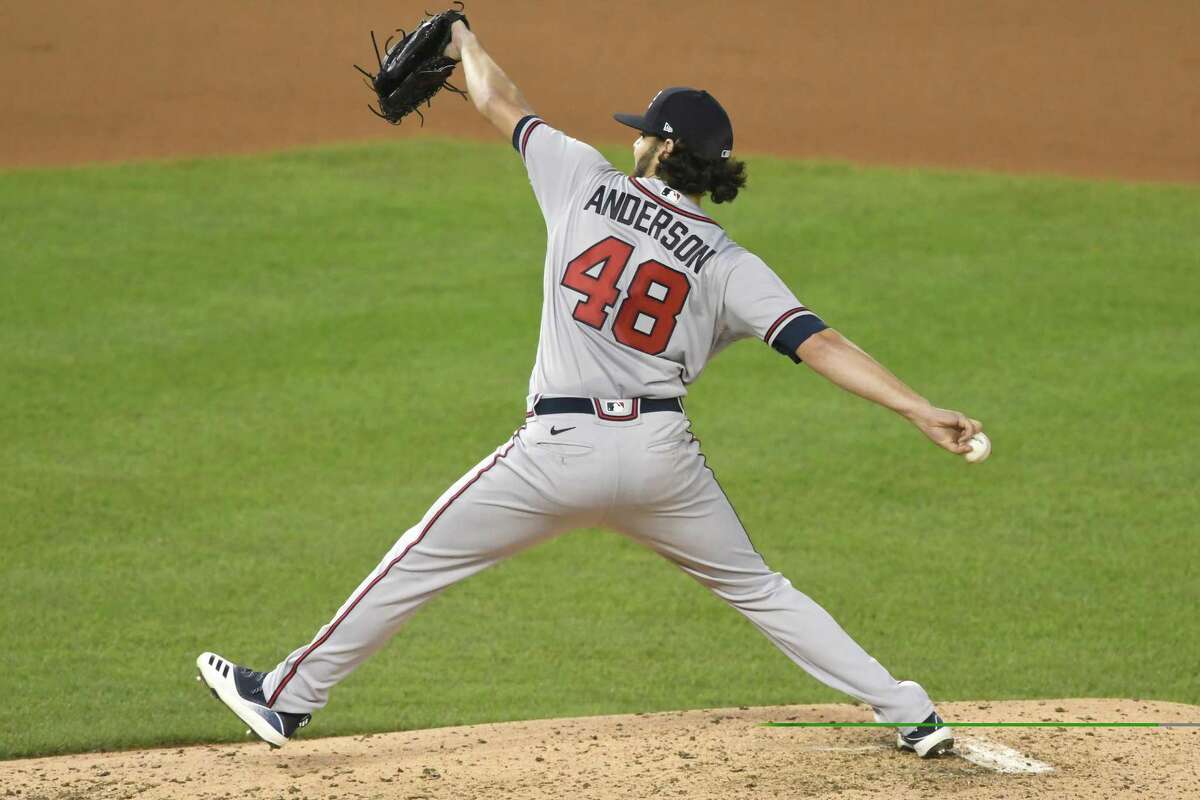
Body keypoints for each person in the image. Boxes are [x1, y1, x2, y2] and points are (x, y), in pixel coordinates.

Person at [197, 19, 981, 759]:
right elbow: (822, 345)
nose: (631, 136)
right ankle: (908, 710)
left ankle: (287, 696)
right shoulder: (730, 263)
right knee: (764, 592)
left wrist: (465, 36)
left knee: (418, 558)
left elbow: (500, 101)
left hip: (556, 454)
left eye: (642, 129)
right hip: (660, 462)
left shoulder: (580, 178)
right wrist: (918, 408)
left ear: (663, 148)